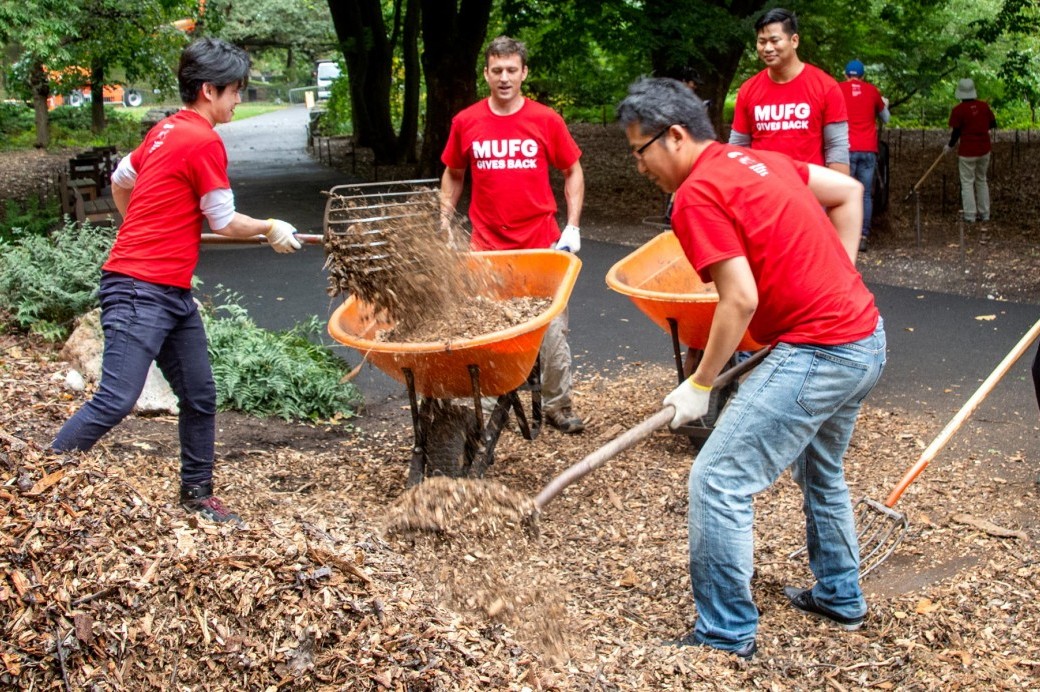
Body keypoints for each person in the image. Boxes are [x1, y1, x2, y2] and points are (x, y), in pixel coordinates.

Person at [617, 77, 886, 658]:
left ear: (676, 136)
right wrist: (836, 278)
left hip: (821, 352)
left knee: (717, 480)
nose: (639, 166)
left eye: (640, 151)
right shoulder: (758, 158)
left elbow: (738, 299)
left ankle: (724, 635)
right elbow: (847, 193)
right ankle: (840, 596)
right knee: (821, 470)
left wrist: (700, 383)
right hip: (864, 337)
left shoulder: (695, 195)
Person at [50, 37, 302, 524]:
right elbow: (224, 221)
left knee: (200, 394)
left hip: (169, 291)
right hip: (138, 287)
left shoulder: (164, 130)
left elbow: (122, 179)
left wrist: (139, 224)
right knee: (116, 398)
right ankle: (39, 477)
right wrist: (271, 226)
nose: (237, 100)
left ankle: (197, 493)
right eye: (234, 91)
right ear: (209, 90)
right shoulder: (202, 139)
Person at [440, 35, 586, 434]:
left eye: (511, 70)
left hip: (541, 245)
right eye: (496, 70)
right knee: (487, 330)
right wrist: (443, 220)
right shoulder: (466, 122)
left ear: (524, 73)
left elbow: (571, 169)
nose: (504, 78)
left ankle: (558, 404)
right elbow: (454, 174)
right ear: (486, 73)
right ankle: (486, 406)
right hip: (487, 249)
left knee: (552, 331)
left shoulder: (545, 120)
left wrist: (572, 225)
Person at [728, 8, 850, 174]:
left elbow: (837, 148)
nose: (767, 48)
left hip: (810, 191)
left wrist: (839, 194)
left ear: (794, 41)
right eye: (762, 42)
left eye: (774, 40)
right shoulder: (748, 90)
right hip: (763, 191)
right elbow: (738, 147)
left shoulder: (826, 86)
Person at [839, 59, 890, 252]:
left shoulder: (838, 89)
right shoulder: (872, 91)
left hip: (845, 148)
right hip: (868, 149)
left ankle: (845, 235)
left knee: (844, 193)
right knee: (865, 194)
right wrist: (884, 104)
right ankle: (863, 235)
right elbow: (886, 118)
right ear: (863, 76)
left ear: (845, 74)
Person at [944, 78, 997, 223]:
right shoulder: (984, 106)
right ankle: (985, 214)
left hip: (967, 151)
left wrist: (949, 145)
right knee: (981, 180)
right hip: (984, 149)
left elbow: (956, 132)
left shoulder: (958, 110)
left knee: (967, 182)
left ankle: (969, 215)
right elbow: (993, 123)